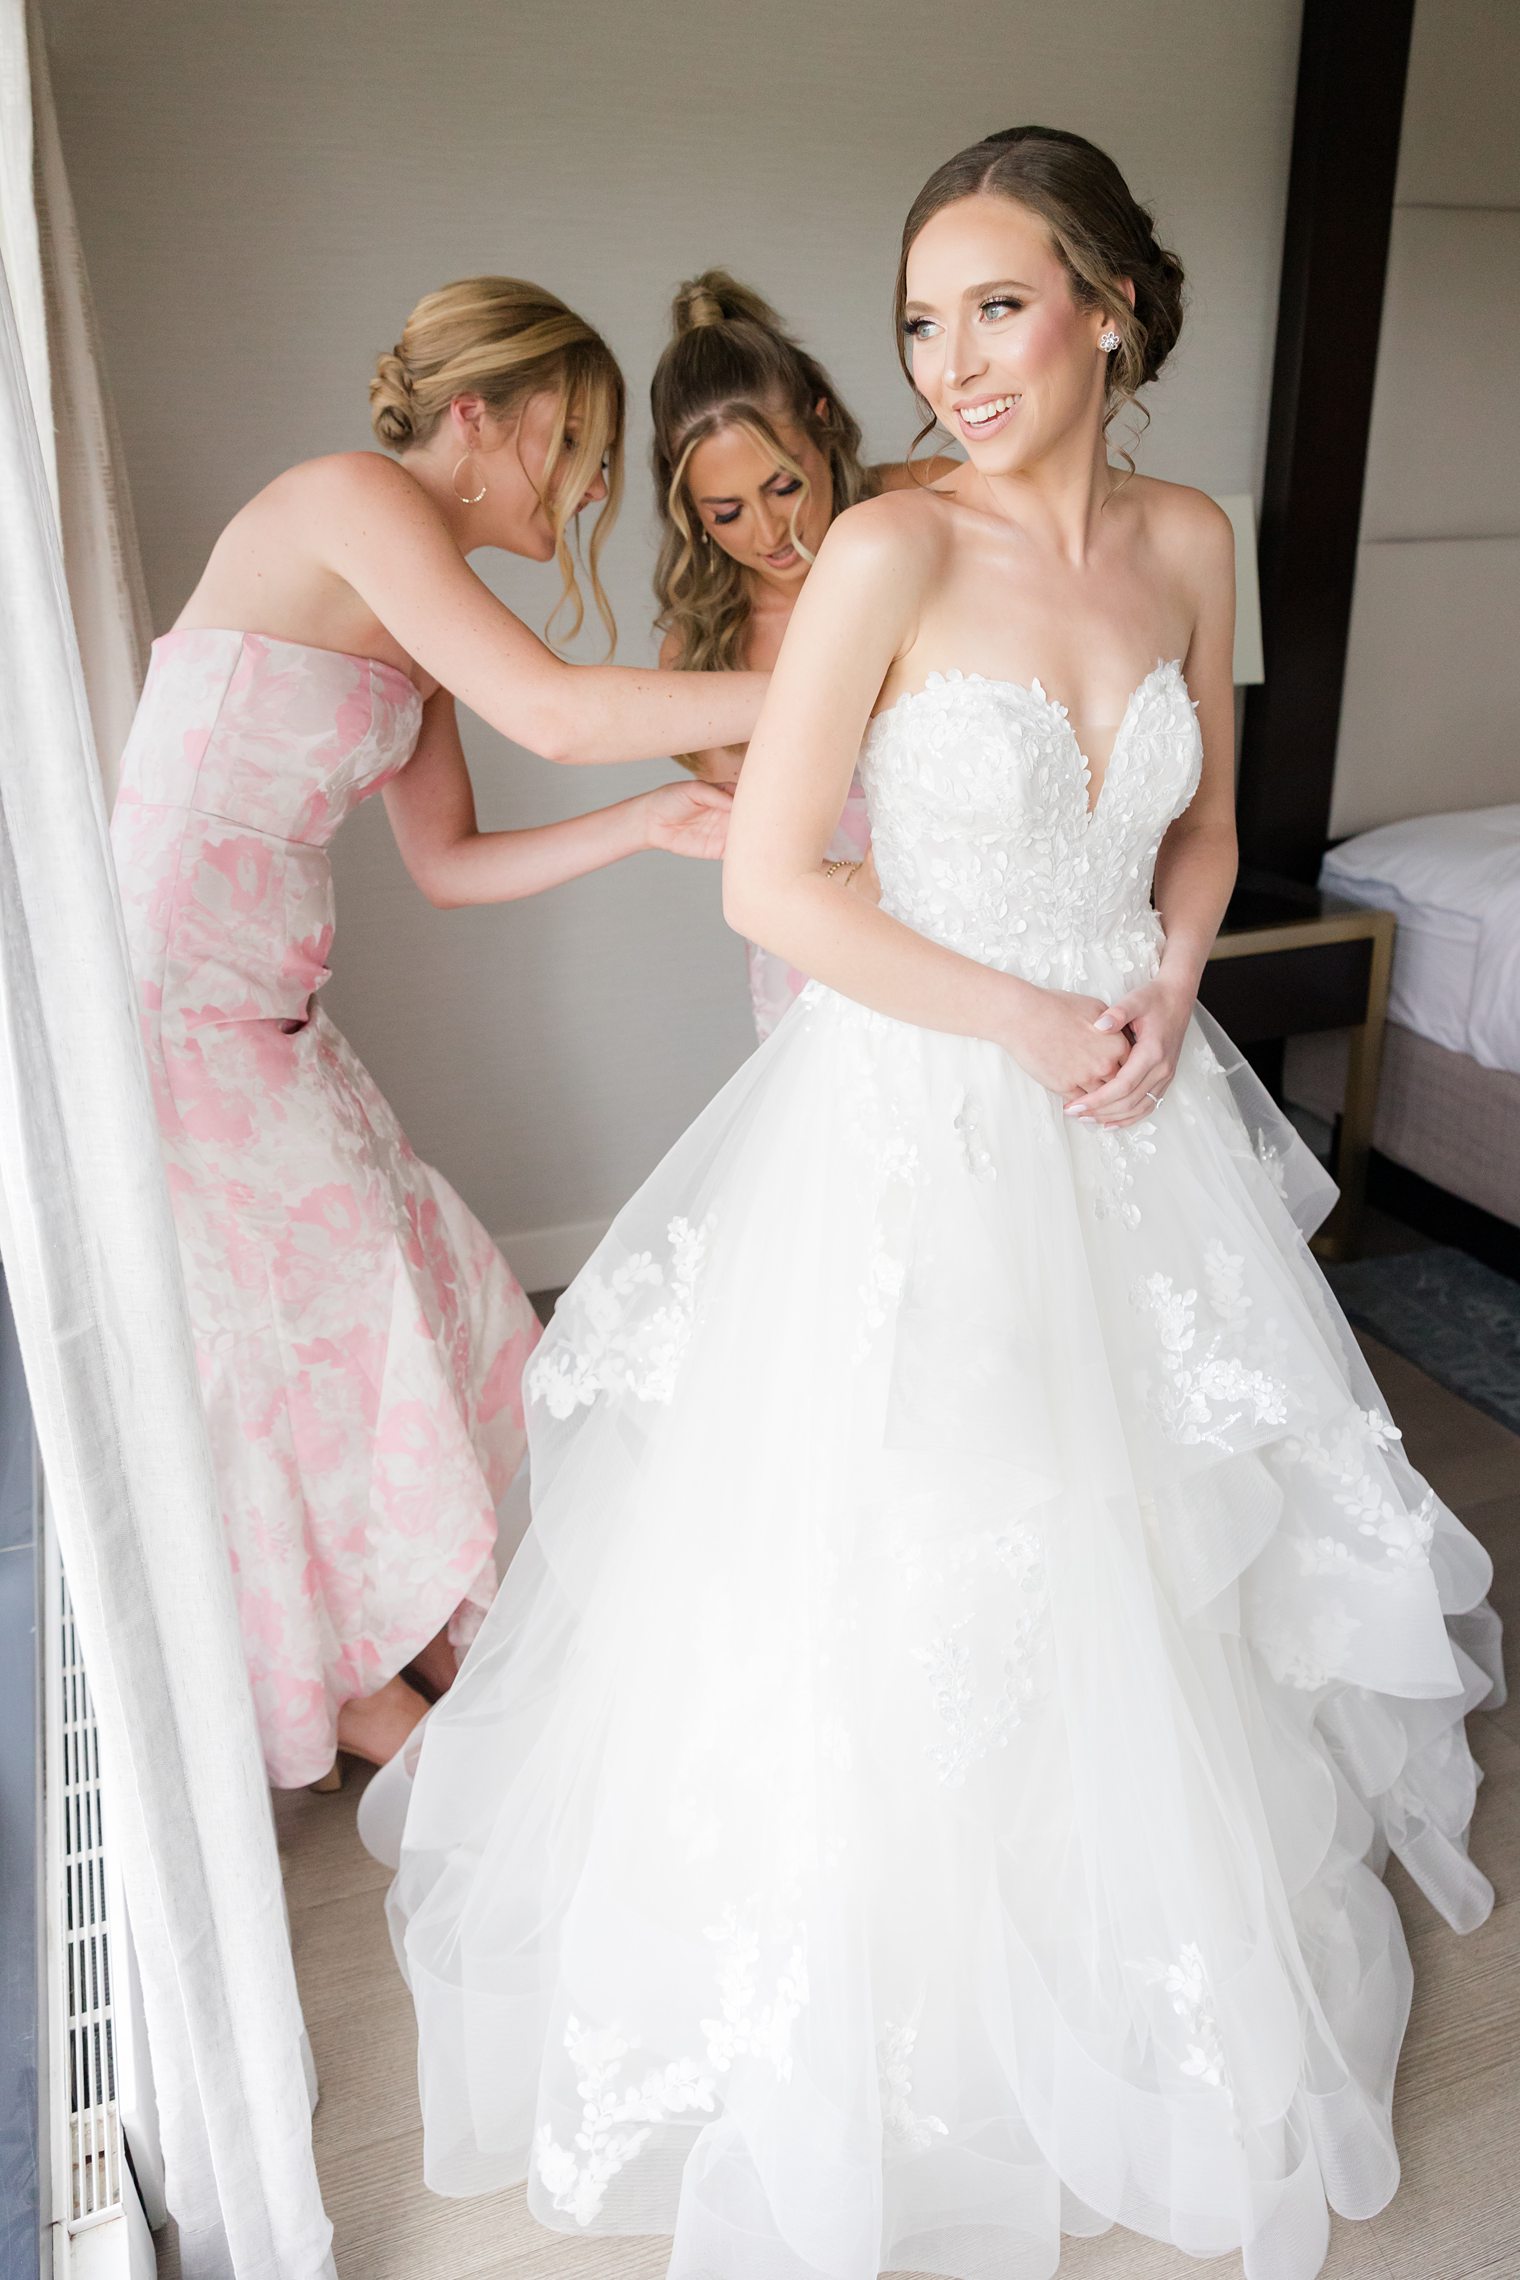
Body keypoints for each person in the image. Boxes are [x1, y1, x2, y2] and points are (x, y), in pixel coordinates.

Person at [374, 145, 1500, 2279]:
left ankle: (1125, 1925)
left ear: (1108, 309)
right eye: (919, 317)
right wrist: (1027, 1015)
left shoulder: (1188, 542)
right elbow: (772, 878)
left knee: (1151, 1541)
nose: (948, 359)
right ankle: (901, 1983)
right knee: (930, 1546)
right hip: (920, 1112)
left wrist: (1168, 977)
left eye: (994, 306)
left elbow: (1210, 827)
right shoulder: (887, 550)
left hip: (1132, 1103)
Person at [111, 275, 762, 1789]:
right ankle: (372, 1693)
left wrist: (649, 818)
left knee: (426, 1308)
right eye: (582, 443)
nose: (597, 487)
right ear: (482, 419)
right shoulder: (347, 499)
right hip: (173, 1023)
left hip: (270, 1020)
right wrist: (824, 677)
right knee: (324, 1355)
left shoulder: (420, 620)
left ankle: (435, 1667)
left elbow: (451, 865)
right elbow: (553, 707)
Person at [651, 269, 953, 1036]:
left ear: (822, 423)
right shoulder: (699, 651)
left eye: (783, 486)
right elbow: (762, 861)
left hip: (986, 932)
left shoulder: (927, 509)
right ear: (688, 509)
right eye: (725, 512)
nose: (768, 533)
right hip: (821, 970)